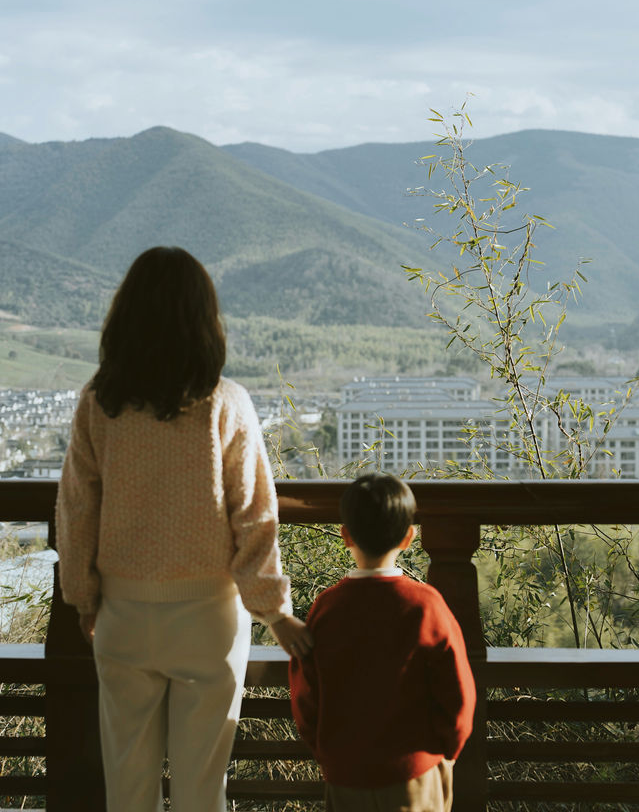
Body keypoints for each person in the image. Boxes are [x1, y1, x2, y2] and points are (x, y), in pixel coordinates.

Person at [55, 246, 312, 812]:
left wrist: (83, 596)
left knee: (127, 786)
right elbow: (254, 513)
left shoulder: (99, 404)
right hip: (210, 620)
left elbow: (76, 509)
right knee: (202, 788)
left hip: (122, 615)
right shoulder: (225, 403)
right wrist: (273, 609)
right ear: (205, 320)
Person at [289, 472, 476, 812]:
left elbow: (305, 692)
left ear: (346, 536)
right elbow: (458, 691)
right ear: (408, 537)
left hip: (345, 775)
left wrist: (328, 753)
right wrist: (447, 750)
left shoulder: (327, 608)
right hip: (415, 773)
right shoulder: (425, 605)